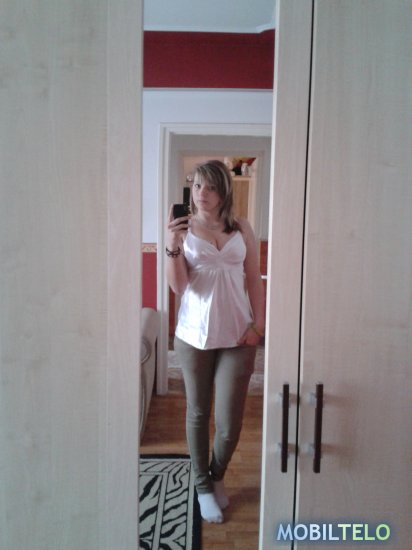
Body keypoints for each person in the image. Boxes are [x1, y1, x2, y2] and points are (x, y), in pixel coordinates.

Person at [165, 160, 265, 523]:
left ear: (223, 191)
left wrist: (259, 326)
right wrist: (172, 246)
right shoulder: (184, 230)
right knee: (198, 412)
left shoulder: (242, 228)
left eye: (209, 187)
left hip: (238, 334)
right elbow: (179, 286)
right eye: (196, 186)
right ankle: (203, 486)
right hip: (194, 335)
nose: (201, 193)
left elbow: (253, 278)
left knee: (230, 421)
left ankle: (218, 474)